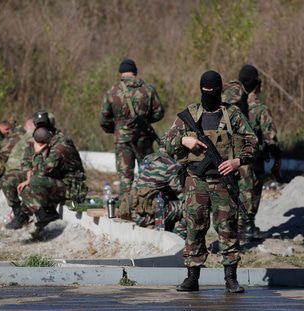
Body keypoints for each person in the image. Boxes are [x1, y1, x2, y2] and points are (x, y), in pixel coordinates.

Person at [165, 70, 257, 293]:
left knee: (227, 230)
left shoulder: (232, 115)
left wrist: (237, 161)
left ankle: (231, 278)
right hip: (196, 182)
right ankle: (192, 277)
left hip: (223, 183)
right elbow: (166, 142)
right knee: (194, 228)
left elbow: (252, 142)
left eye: (213, 91)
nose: (209, 95)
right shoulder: (189, 115)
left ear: (220, 90)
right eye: (205, 91)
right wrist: (184, 140)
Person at [99, 59, 164, 217]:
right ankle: (146, 210)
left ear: (121, 72)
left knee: (125, 177)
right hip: (143, 138)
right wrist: (145, 121)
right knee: (147, 174)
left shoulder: (113, 91)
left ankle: (126, 211)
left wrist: (116, 129)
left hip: (122, 140)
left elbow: (104, 119)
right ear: (135, 71)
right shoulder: (148, 89)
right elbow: (159, 113)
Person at [222, 64, 281, 240]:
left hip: (230, 155)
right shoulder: (259, 108)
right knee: (251, 190)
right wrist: (275, 155)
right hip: (251, 157)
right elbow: (270, 137)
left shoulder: (233, 101)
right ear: (257, 85)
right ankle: (247, 225)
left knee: (235, 189)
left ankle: (234, 226)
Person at [17, 126, 85, 235]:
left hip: (72, 189)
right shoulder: (56, 142)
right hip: (61, 184)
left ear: (41, 143)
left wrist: (37, 153)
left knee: (34, 180)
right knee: (26, 188)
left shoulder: (59, 148)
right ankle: (44, 216)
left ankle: (46, 216)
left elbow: (42, 171)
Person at [130, 146, 185, 234]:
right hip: (151, 215)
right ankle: (179, 238)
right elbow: (183, 195)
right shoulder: (170, 164)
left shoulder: (148, 158)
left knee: (166, 199)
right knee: (190, 208)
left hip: (136, 213)